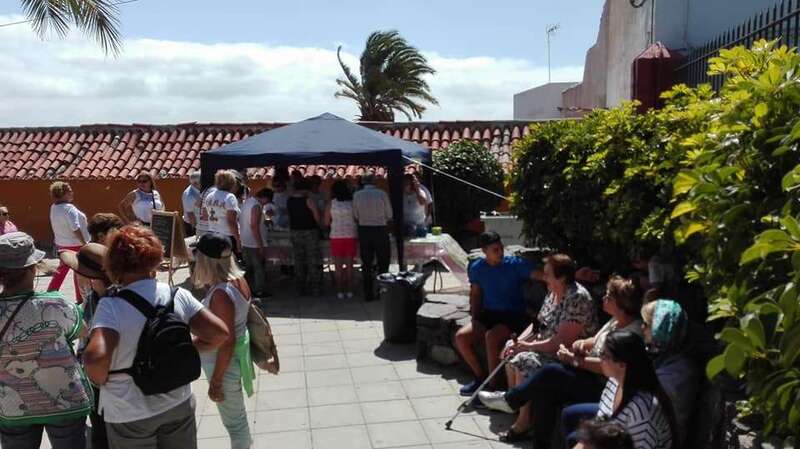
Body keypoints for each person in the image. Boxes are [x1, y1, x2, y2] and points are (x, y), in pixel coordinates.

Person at [82, 225, 229, 449]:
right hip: (177, 401)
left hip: (129, 410)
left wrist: (100, 381)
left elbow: (95, 359)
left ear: (113, 264)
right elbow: (219, 334)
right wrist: (187, 349)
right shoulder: (177, 295)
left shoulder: (110, 306)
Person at [478, 276, 643, 445]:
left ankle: (511, 399)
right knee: (546, 390)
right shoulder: (615, 321)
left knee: (551, 371)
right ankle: (539, 444)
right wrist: (580, 344)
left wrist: (573, 359)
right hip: (586, 372)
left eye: (609, 296)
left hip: (603, 385)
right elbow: (595, 340)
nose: (604, 298)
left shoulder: (631, 333)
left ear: (620, 303)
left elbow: (605, 367)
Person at [0, 232, 92, 449]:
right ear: (33, 268)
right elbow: (82, 331)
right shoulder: (55, 305)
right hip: (65, 401)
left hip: (12, 405)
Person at [499, 253, 599, 439]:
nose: (544, 278)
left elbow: (558, 343)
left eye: (548, 274)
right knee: (510, 349)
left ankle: (523, 422)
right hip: (545, 346)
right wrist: (518, 342)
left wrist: (526, 347)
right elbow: (538, 324)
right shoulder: (553, 291)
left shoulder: (577, 298)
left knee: (523, 360)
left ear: (562, 278)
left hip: (566, 356)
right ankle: (518, 409)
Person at [454, 231, 537, 396]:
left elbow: (543, 276)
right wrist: (475, 318)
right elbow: (476, 293)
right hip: (490, 313)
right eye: (495, 250)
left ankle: (493, 387)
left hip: (513, 315)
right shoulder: (477, 268)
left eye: (501, 248)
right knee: (461, 337)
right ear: (484, 251)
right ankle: (480, 378)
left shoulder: (514, 264)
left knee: (491, 337)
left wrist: (572, 275)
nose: (500, 253)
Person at [562, 331, 677, 449]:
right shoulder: (615, 380)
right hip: (614, 439)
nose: (599, 358)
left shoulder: (642, 411)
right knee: (573, 434)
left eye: (604, 355)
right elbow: (600, 422)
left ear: (622, 364)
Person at [193, 234, 255, 449]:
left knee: (235, 424)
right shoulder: (238, 281)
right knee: (237, 418)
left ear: (206, 260)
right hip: (232, 359)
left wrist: (216, 382)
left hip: (223, 364)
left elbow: (226, 341)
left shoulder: (221, 294)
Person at [61, 243, 114, 449]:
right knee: (100, 434)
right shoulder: (93, 297)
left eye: (78, 273)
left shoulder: (114, 302)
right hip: (96, 385)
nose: (76, 277)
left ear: (91, 277)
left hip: (111, 384)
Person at [642, 299, 699, 446]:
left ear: (660, 330)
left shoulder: (679, 373)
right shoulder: (665, 354)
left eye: (647, 324)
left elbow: (645, 405)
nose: (642, 328)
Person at [47, 181, 90, 302]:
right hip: (75, 244)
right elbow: (75, 228)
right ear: (63, 193)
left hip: (62, 243)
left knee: (61, 271)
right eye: (70, 191)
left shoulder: (54, 207)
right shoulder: (69, 208)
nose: (72, 193)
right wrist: (85, 243)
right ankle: (80, 297)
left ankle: (51, 292)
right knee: (78, 271)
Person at [352, 174, 393, 302]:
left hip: (364, 230)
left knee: (366, 264)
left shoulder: (357, 195)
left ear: (363, 182)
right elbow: (389, 214)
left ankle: (368, 293)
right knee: (383, 263)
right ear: (374, 181)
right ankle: (382, 291)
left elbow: (355, 216)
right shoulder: (382, 194)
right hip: (380, 229)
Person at [287, 178, 322, 296]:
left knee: (298, 260)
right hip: (310, 232)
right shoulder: (308, 200)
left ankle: (300, 287)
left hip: (295, 231)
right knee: (312, 259)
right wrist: (320, 226)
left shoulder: (290, 200)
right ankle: (315, 287)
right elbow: (316, 215)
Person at [326, 180, 357, 299]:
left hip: (336, 236)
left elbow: (326, 222)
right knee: (349, 266)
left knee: (338, 267)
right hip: (350, 236)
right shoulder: (352, 203)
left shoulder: (331, 204)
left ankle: (339, 291)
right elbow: (357, 218)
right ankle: (350, 291)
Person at [240, 188, 272, 297]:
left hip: (245, 241)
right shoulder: (256, 206)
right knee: (258, 268)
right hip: (254, 243)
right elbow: (254, 226)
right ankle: (259, 290)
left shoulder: (247, 202)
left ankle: (246, 290)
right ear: (265, 198)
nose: (265, 204)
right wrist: (260, 245)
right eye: (267, 202)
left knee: (248, 268)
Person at [203, 170, 242, 252]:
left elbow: (205, 216)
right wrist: (238, 240)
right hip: (227, 236)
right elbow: (231, 221)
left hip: (212, 233)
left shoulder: (209, 196)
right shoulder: (230, 197)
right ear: (232, 183)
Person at [182, 170, 202, 237]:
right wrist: (197, 230)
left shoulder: (197, 189)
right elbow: (191, 215)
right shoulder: (189, 195)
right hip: (192, 225)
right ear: (195, 183)